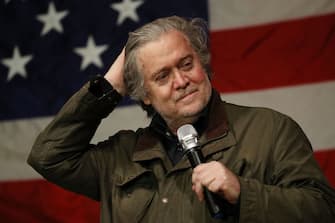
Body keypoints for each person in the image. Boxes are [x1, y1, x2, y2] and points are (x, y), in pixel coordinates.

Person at [28, 16, 335, 222]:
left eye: (186, 63)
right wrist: (110, 86)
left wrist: (244, 192)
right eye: (162, 76)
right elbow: (49, 157)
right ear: (144, 94)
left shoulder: (270, 129)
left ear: (201, 61)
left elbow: (323, 209)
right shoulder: (120, 156)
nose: (181, 80)